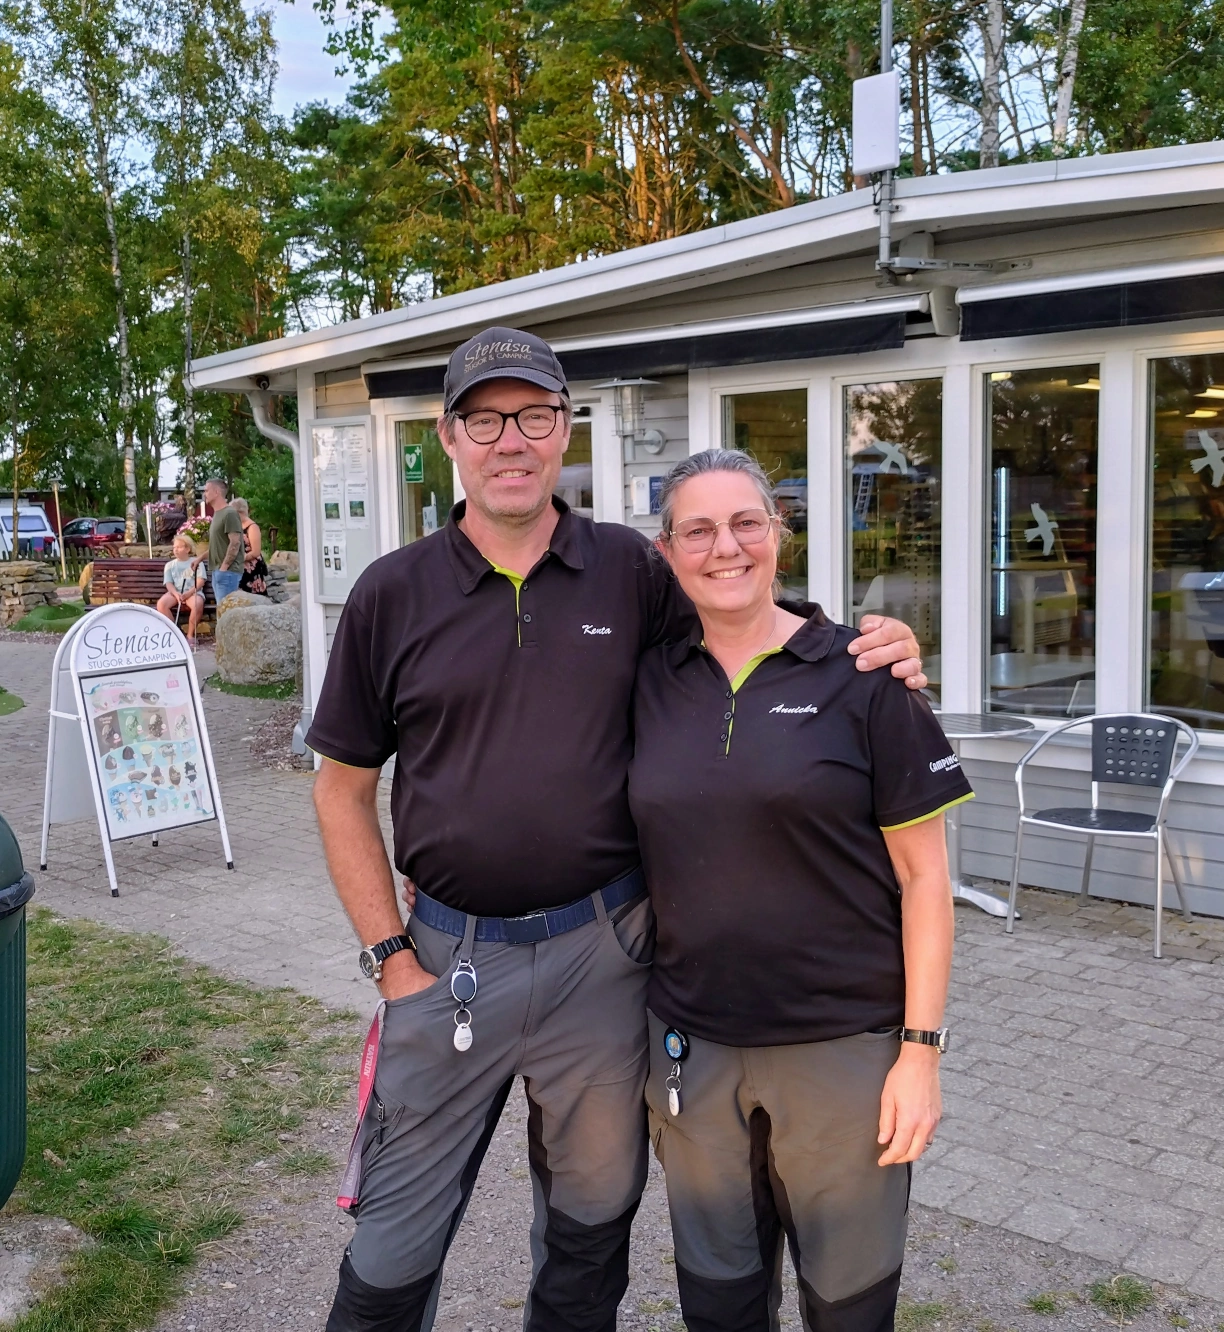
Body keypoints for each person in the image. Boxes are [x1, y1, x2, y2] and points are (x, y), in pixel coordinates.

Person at [304, 326, 929, 1332]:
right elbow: (340, 791)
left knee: (592, 1225)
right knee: (391, 1244)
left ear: (565, 430)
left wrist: (860, 644)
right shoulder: (391, 594)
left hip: (605, 960)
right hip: (445, 958)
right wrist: (389, 957)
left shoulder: (629, 572)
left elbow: (739, 612)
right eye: (486, 418)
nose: (513, 440)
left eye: (536, 416)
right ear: (449, 437)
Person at [627, 449, 973, 1332]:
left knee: (847, 1309)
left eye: (747, 523)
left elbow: (926, 876)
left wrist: (920, 1052)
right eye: (697, 531)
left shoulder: (863, 676)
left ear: (778, 537)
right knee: (719, 1305)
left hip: (842, 1050)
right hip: (690, 1051)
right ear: (667, 554)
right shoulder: (647, 680)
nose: (725, 548)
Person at [157, 533, 207, 647]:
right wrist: (175, 594)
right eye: (174, 547)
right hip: (176, 592)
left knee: (197, 603)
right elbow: (168, 583)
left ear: (187, 549)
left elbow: (200, 581)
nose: (175, 550)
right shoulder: (169, 565)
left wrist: (189, 593)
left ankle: (190, 635)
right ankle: (176, 633)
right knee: (161, 604)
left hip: (193, 592)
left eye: (179, 547)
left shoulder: (196, 562)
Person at [200, 477, 242, 605]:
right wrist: (199, 559)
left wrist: (224, 568)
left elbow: (235, 543)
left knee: (226, 615)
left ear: (217, 492)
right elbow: (218, 545)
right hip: (218, 571)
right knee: (222, 614)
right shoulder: (218, 514)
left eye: (207, 490)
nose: (204, 494)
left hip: (227, 573)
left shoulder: (229, 513)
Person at [233, 497, 268, 594]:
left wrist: (240, 558)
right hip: (238, 568)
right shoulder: (236, 526)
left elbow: (256, 551)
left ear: (240, 512)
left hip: (251, 569)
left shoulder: (252, 527)